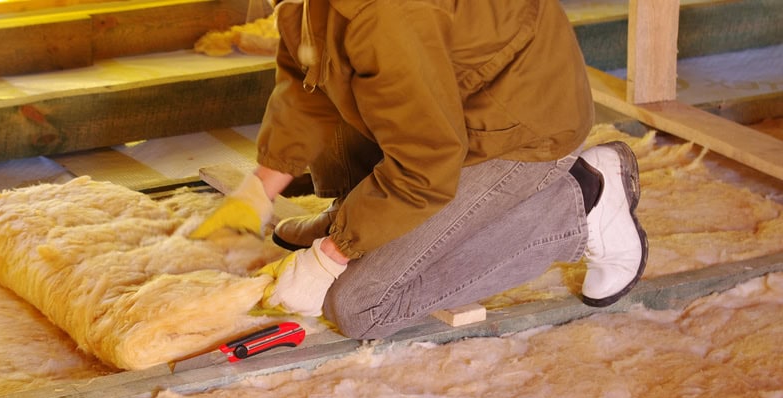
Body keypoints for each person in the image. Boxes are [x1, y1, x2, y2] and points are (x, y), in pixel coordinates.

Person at [190, 0, 648, 340]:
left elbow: (427, 161)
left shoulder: (388, 14)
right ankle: (362, 214)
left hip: (518, 129)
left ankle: (581, 203)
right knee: (353, 68)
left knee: (360, 306)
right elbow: (309, 70)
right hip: (449, 111)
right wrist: (261, 187)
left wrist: (331, 255)